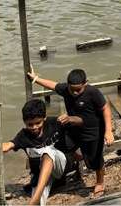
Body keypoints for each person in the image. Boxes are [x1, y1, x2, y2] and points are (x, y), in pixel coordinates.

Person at [28, 68, 114, 198]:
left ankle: (100, 182)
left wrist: (108, 131)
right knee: (61, 147)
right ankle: (67, 166)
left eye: (78, 89)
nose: (74, 92)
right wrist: (36, 79)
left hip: (92, 131)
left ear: (86, 83)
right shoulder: (66, 89)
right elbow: (53, 85)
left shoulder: (93, 93)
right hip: (73, 129)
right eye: (71, 89)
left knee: (94, 161)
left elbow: (105, 109)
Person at [0, 99, 77, 205]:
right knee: (39, 196)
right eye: (30, 124)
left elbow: (82, 127)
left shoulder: (55, 123)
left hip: (61, 168)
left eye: (38, 123)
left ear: (44, 118)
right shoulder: (24, 135)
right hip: (41, 175)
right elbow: (8, 145)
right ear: (25, 122)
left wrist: (71, 118)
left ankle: (33, 201)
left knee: (48, 152)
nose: (34, 127)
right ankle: (36, 201)